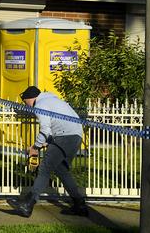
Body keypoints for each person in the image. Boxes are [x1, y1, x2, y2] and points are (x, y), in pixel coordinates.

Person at [7, 86, 89, 217]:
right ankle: (80, 205)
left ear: (29, 99)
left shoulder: (40, 104)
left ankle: (27, 205)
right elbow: (53, 129)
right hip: (76, 137)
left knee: (44, 168)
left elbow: (45, 129)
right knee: (61, 170)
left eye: (25, 102)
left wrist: (35, 148)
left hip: (64, 137)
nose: (26, 106)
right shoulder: (53, 100)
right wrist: (42, 143)